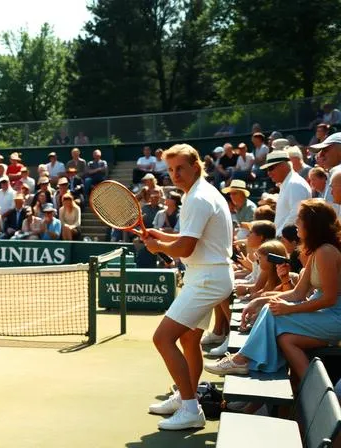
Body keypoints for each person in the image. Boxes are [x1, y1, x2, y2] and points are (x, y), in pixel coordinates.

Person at [141, 143, 233, 430]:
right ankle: (185, 397)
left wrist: (158, 246)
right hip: (208, 275)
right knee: (189, 340)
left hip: (206, 279)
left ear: (196, 166)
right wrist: (162, 235)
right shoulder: (200, 193)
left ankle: (192, 410)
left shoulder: (198, 198)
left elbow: (185, 248)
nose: (175, 174)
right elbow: (190, 239)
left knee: (162, 338)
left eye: (180, 168)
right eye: (170, 170)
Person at [205, 200, 341, 386]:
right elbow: (297, 293)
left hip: (334, 319)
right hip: (325, 316)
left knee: (272, 312)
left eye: (300, 219)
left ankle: (242, 359)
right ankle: (311, 390)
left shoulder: (326, 252)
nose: (296, 223)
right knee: (286, 339)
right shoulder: (317, 251)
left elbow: (329, 299)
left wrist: (289, 309)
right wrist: (258, 301)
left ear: (311, 224)